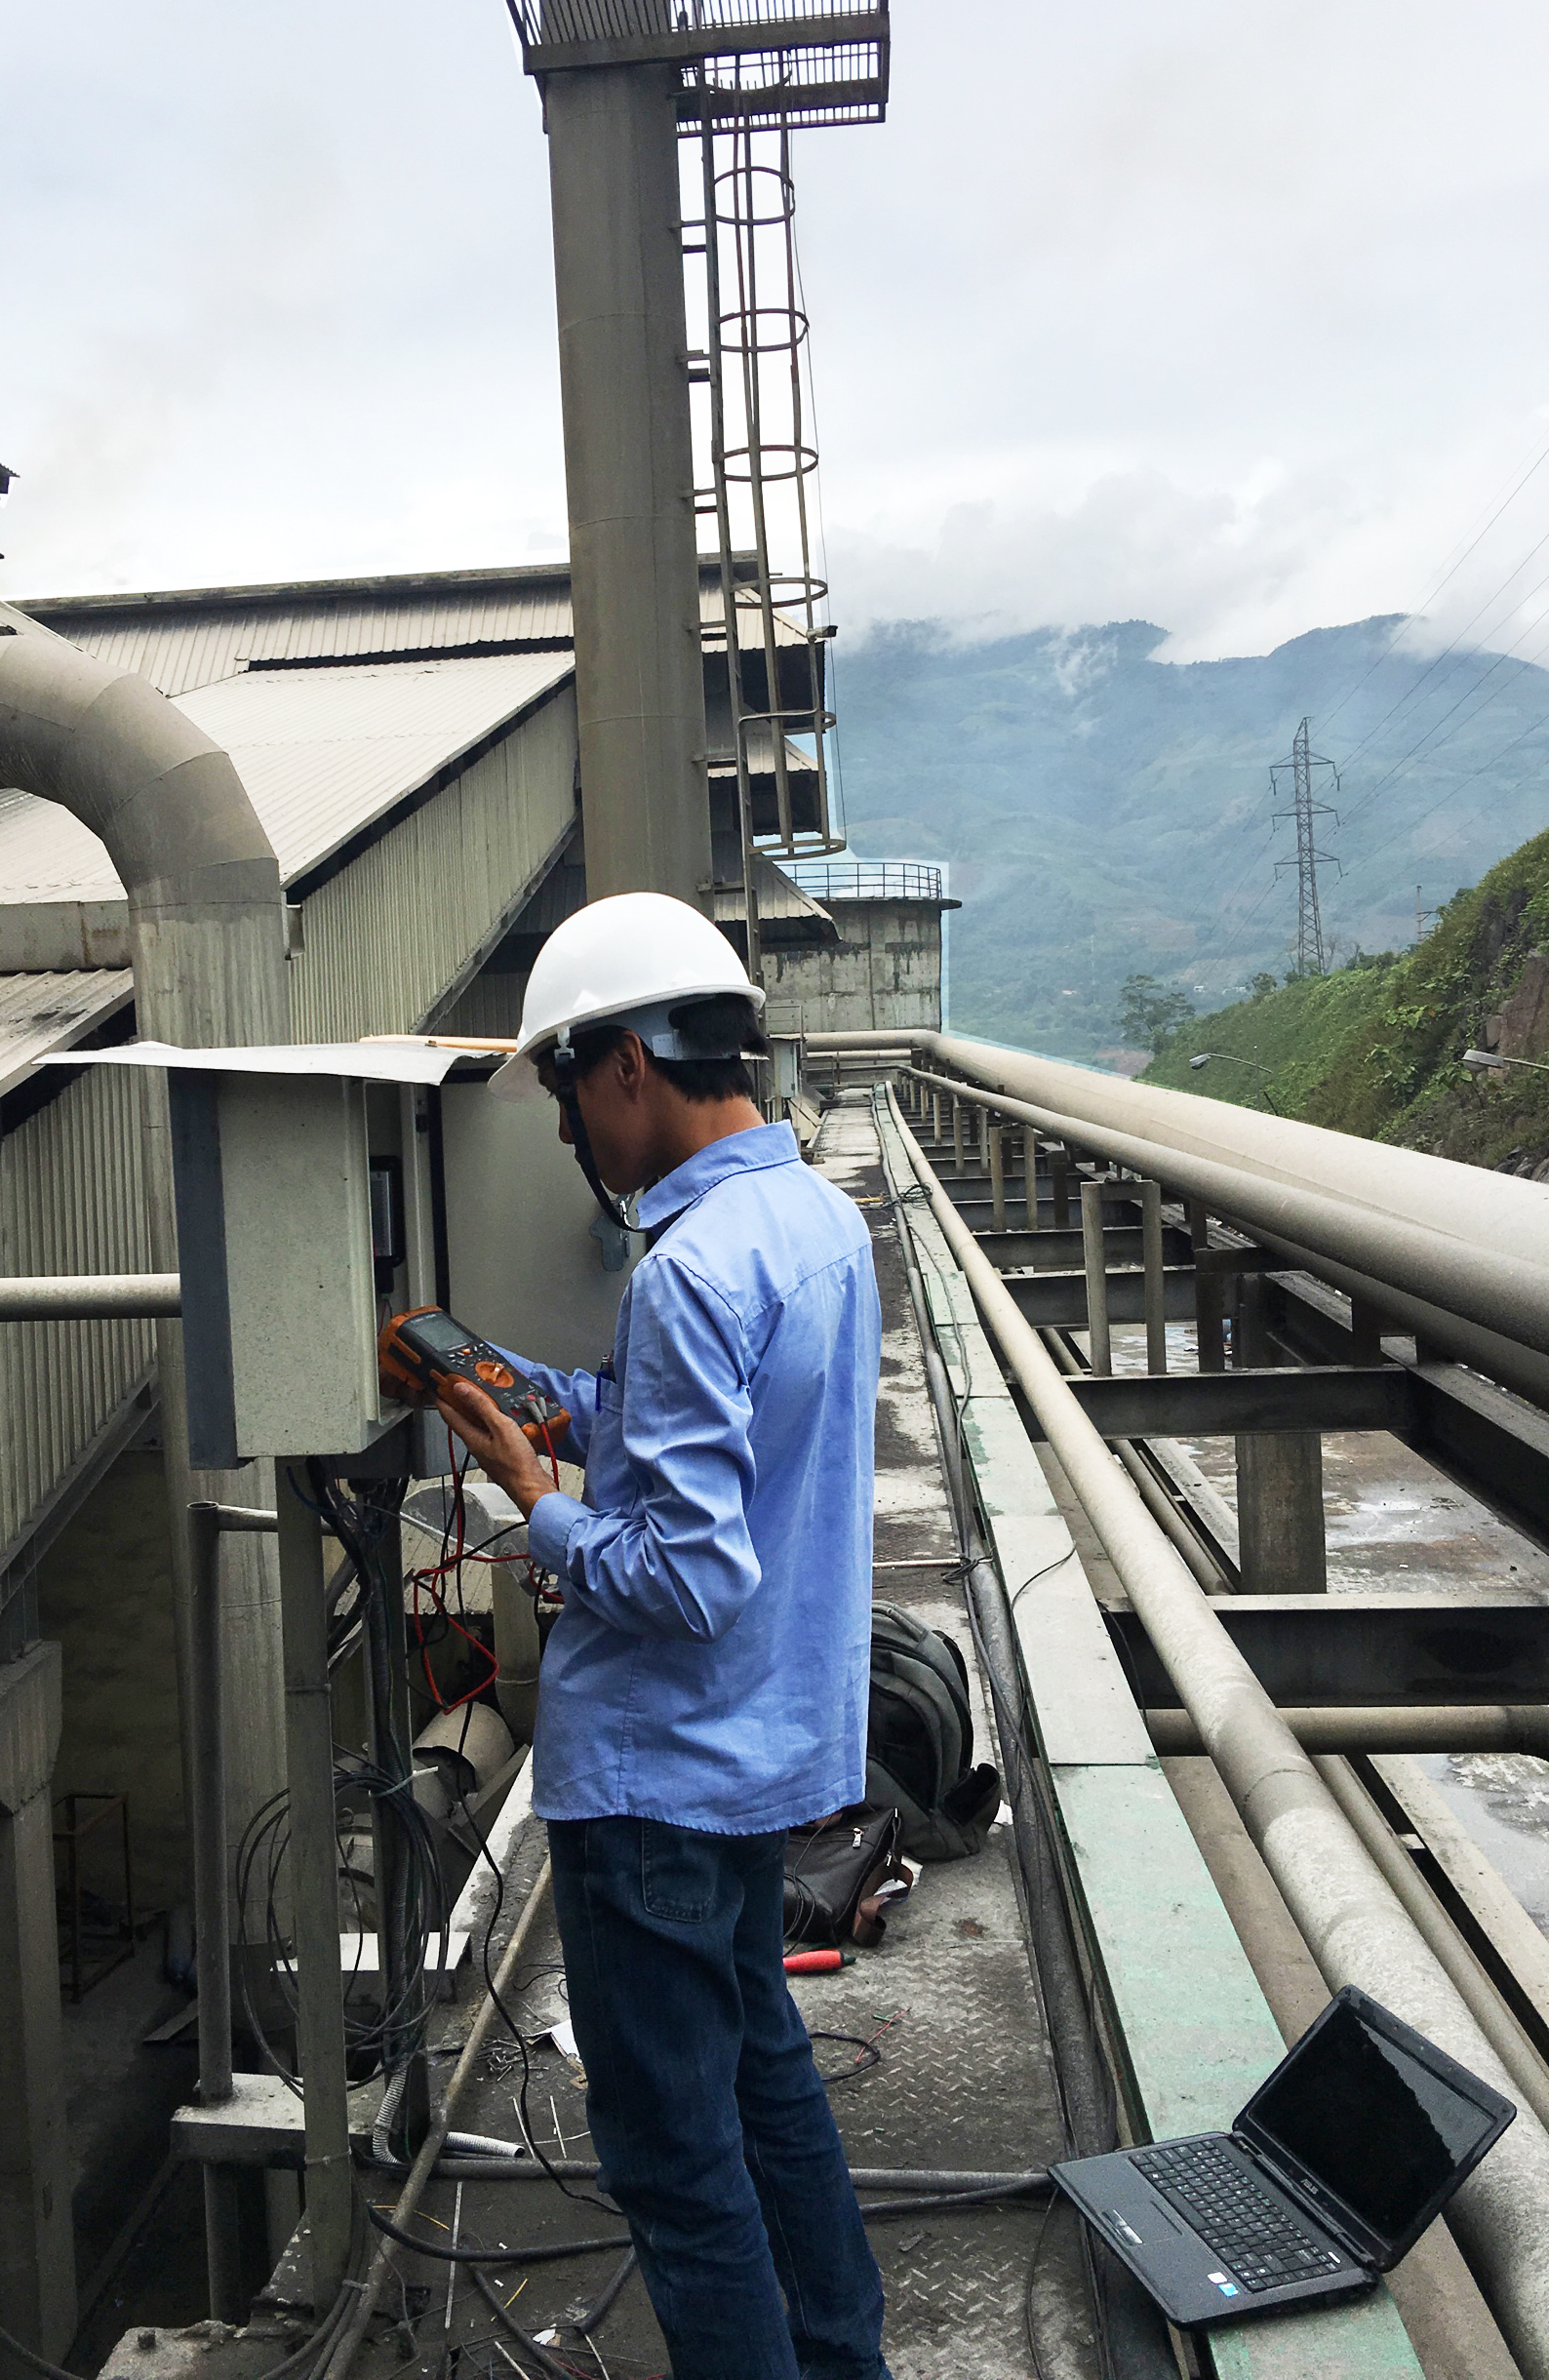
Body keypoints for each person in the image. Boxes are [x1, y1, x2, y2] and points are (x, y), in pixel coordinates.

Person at [432, 890, 892, 2380]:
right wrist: (554, 1402)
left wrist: (535, 1502)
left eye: (569, 1091)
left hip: (654, 1782)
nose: (570, 1130)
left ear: (627, 1062)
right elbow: (718, 1437)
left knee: (676, 2163)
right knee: (764, 2084)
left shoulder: (686, 1270)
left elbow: (687, 1573)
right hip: (755, 1756)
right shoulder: (814, 1222)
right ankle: (843, 2360)